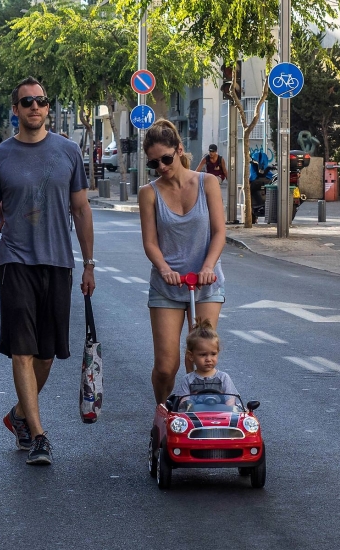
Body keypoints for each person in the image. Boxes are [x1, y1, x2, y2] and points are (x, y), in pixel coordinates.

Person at [0, 76, 95, 466]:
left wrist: (89, 263)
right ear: (16, 109)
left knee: (47, 354)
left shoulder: (69, 151)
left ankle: (20, 414)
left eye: (41, 100)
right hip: (16, 263)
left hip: (59, 263)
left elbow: (81, 209)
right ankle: (39, 435)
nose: (35, 107)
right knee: (22, 350)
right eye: (27, 102)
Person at [139, 119, 226, 405]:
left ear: (178, 150)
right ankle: (163, 417)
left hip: (204, 284)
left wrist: (208, 267)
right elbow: (150, 242)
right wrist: (164, 269)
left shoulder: (207, 183)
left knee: (198, 358)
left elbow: (219, 233)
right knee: (166, 367)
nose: (161, 167)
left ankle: (197, 417)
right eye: (154, 163)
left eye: (166, 159)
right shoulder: (149, 193)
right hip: (167, 285)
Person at [172, 318, 238, 405]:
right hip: (195, 417)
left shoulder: (223, 378)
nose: (208, 359)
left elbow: (231, 400)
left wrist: (229, 407)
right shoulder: (188, 380)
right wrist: (187, 404)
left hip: (220, 416)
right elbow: (183, 402)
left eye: (213, 354)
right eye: (203, 355)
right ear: (191, 356)